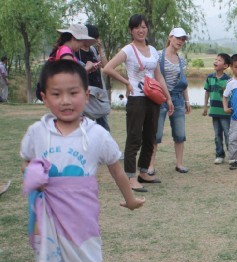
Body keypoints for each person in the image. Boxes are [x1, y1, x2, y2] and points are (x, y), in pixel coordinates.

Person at [20, 59, 144, 262]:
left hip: (83, 227)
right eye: (57, 94)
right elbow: (27, 161)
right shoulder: (37, 133)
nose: (65, 101)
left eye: (73, 92)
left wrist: (130, 200)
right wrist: (32, 174)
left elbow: (116, 169)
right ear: (44, 97)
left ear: (86, 95)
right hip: (49, 226)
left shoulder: (96, 135)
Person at [103, 14, 173, 192]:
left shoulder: (153, 50)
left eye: (143, 27)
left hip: (153, 97)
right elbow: (108, 68)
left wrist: (168, 98)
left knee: (150, 136)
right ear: (131, 30)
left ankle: (144, 172)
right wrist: (126, 82)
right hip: (136, 98)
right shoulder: (128, 49)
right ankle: (130, 177)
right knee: (134, 137)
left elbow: (158, 76)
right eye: (137, 27)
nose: (141, 30)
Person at [149, 27, 191, 175]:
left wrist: (187, 101)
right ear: (170, 37)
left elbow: (183, 82)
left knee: (180, 133)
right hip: (160, 98)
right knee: (156, 133)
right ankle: (150, 165)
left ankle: (179, 164)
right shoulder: (158, 56)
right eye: (178, 38)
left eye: (183, 39)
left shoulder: (182, 60)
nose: (180, 41)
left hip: (178, 98)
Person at [76, 24, 111, 131]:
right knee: (86, 127)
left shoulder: (93, 50)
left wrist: (100, 49)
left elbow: (106, 66)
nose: (96, 40)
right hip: (86, 92)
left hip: (98, 92)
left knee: (104, 129)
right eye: (94, 38)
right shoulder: (76, 51)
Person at [203, 53, 231, 164]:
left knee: (228, 134)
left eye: (219, 60)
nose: (216, 61)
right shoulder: (210, 77)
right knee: (217, 135)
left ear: (225, 66)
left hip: (225, 112)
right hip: (214, 111)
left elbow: (231, 96)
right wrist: (205, 107)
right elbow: (207, 92)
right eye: (215, 59)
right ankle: (219, 155)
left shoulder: (228, 80)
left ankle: (231, 154)